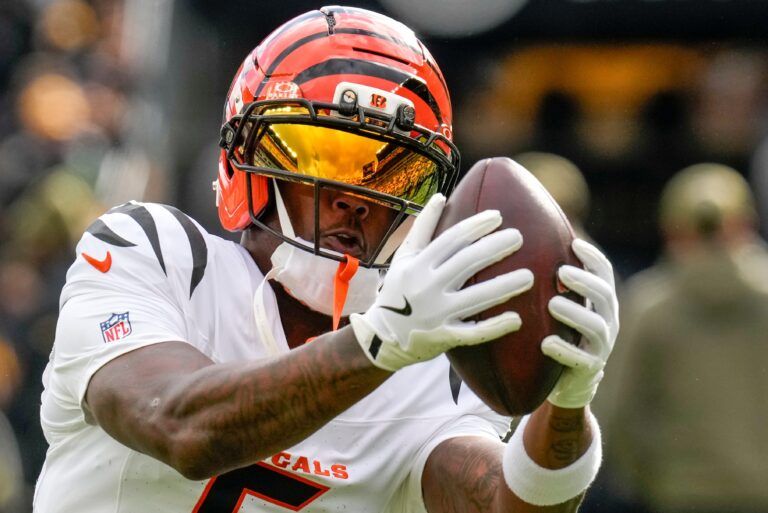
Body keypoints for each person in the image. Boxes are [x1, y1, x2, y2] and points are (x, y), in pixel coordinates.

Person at [34, 7, 619, 512]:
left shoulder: (427, 358)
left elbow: (499, 507)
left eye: (399, 173)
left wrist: (566, 406)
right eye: (325, 154)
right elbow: (181, 426)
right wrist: (376, 343)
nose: (357, 197)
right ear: (250, 158)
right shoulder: (157, 252)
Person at [596, 163, 768, 513]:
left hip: (678, 493)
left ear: (672, 231)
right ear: (746, 224)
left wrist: (649, 482)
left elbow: (618, 414)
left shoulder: (649, 306)